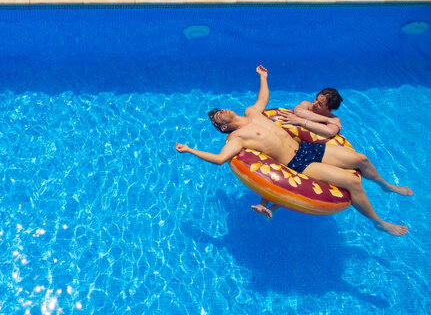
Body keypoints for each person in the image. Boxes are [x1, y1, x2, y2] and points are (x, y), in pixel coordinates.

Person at [175, 65, 412, 236]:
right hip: (299, 163)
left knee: (360, 158)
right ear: (223, 126)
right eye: (219, 115)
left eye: (220, 110)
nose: (223, 110)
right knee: (352, 182)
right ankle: (379, 222)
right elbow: (219, 160)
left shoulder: (251, 112)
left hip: (307, 147)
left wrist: (263, 77)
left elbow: (263, 99)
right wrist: (189, 150)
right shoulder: (236, 138)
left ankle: (384, 184)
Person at [277, 88, 343, 138]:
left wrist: (300, 121)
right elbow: (299, 112)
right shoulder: (308, 105)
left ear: (330, 109)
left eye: (320, 104)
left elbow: (330, 132)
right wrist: (327, 120)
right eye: (316, 99)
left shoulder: (334, 119)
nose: (314, 104)